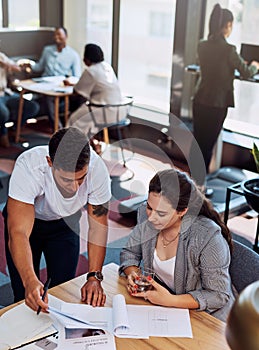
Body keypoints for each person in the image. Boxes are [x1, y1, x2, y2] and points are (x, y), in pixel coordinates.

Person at [4, 127, 111, 312]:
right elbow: (18, 232)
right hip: (29, 224)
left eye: (81, 178)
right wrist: (30, 279)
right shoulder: (30, 166)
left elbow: (98, 227)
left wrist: (94, 276)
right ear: (50, 162)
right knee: (24, 294)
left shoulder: (97, 170)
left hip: (65, 223)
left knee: (63, 291)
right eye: (67, 180)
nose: (75, 188)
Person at [119, 168, 235, 322]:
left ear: (182, 211)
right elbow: (129, 252)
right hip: (168, 310)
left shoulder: (206, 237)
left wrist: (169, 300)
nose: (151, 218)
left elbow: (218, 295)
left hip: (209, 317)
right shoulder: (145, 216)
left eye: (161, 213)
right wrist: (133, 273)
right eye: (149, 207)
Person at [190, 3, 259, 195]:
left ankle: (194, 184)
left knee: (199, 144)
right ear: (227, 25)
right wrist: (254, 65)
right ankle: (199, 189)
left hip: (200, 100)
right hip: (216, 104)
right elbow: (246, 72)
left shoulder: (202, 45)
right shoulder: (229, 49)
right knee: (208, 146)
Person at [26, 27, 81, 129]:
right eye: (55, 35)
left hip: (61, 86)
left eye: (59, 34)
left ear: (66, 36)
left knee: (80, 97)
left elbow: (76, 76)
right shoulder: (47, 50)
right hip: (46, 84)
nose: (56, 37)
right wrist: (29, 65)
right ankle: (58, 128)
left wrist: (69, 81)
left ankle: (72, 128)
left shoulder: (73, 55)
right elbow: (39, 67)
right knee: (49, 98)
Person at [66, 43, 123, 137]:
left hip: (103, 111)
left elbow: (77, 91)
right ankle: (91, 146)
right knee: (87, 120)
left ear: (87, 58)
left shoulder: (90, 71)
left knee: (74, 120)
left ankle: (69, 147)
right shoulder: (107, 67)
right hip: (118, 111)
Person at [0, 51, 40, 147]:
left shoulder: (1, 56)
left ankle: (14, 130)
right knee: (4, 113)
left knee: (33, 107)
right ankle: (3, 135)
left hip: (6, 92)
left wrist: (6, 64)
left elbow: (17, 68)